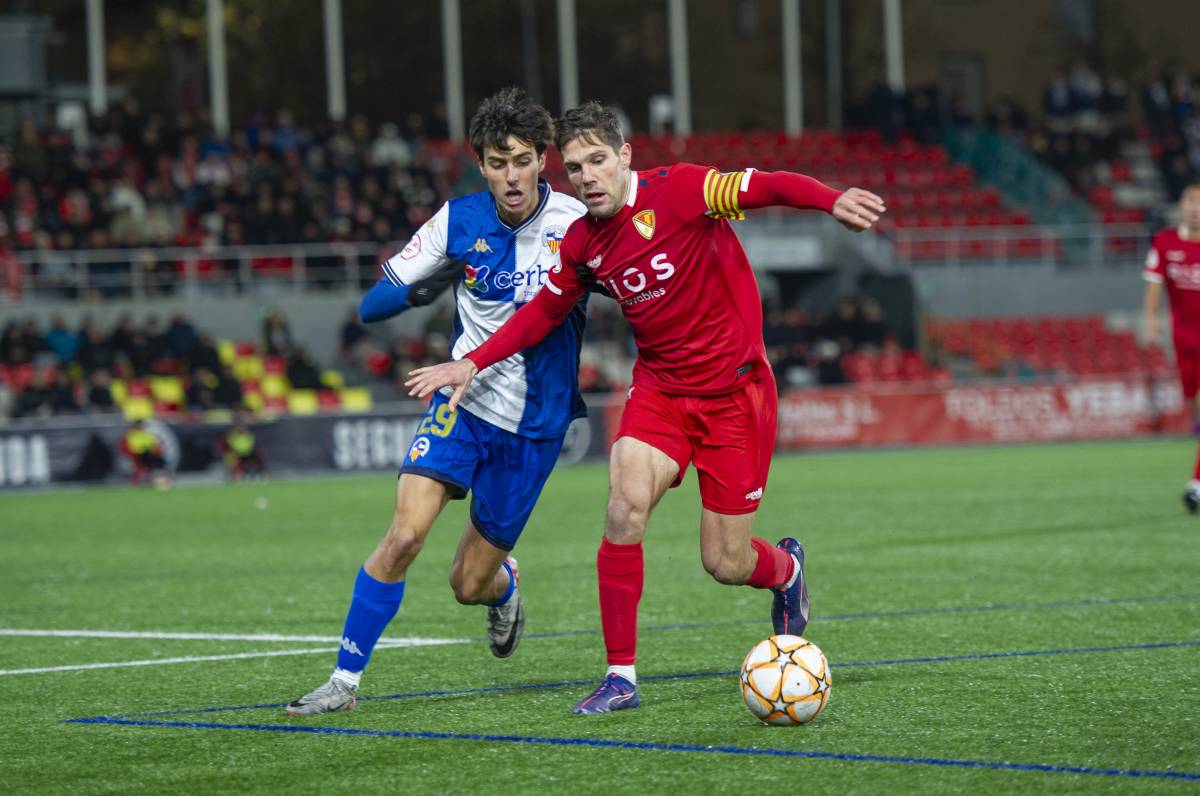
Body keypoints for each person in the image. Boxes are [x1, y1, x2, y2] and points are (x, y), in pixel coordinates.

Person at [407, 101, 885, 714]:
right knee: (623, 508)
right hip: (661, 391)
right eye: (575, 168)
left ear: (624, 156)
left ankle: (785, 569)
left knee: (725, 561)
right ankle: (621, 678)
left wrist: (831, 199)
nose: (587, 178)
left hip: (736, 396)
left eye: (598, 161)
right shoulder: (581, 241)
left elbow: (766, 186)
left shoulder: (684, 190)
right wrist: (472, 360)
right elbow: (543, 314)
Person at [285, 88, 589, 716]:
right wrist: (426, 288)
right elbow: (372, 306)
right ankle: (343, 681)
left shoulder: (578, 225)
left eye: (524, 160)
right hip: (462, 402)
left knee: (466, 584)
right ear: (480, 164)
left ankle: (504, 588)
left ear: (543, 161)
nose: (512, 175)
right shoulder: (457, 222)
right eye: (498, 162)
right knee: (403, 536)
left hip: (534, 427)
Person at [1143, 183, 1200, 512]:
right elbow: (1153, 281)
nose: (1195, 208)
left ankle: (1195, 484)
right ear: (1181, 206)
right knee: (1192, 405)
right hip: (1184, 342)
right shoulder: (1165, 242)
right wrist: (1151, 319)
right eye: (1190, 202)